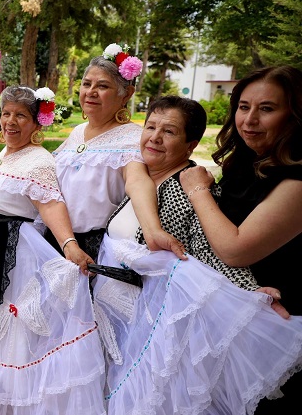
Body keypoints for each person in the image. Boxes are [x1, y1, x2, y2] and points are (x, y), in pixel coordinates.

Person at [96, 95, 302, 414]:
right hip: (119, 315)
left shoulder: (186, 189)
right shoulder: (141, 177)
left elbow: (210, 249)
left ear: (191, 145)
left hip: (157, 324)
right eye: (150, 126)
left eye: (169, 131)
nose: (155, 137)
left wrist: (248, 291)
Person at [0, 86, 104, 415]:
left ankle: (9, 402)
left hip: (11, 254)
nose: (10, 122)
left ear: (36, 124)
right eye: (6, 113)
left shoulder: (40, 160)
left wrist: (69, 244)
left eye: (20, 116)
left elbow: (51, 204)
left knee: (11, 329)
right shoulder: (5, 154)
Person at [179, 65, 302, 412]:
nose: (249, 120)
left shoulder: (295, 180)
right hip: (232, 313)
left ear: (294, 115)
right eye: (244, 106)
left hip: (276, 328)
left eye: (267, 108)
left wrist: (198, 190)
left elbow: (235, 249)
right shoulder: (245, 163)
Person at [52, 44, 183, 261]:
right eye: (86, 84)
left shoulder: (132, 137)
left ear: (126, 95)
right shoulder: (77, 132)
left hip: (94, 251)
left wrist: (153, 230)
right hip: (59, 239)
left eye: (102, 86)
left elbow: (137, 181)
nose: (91, 92)